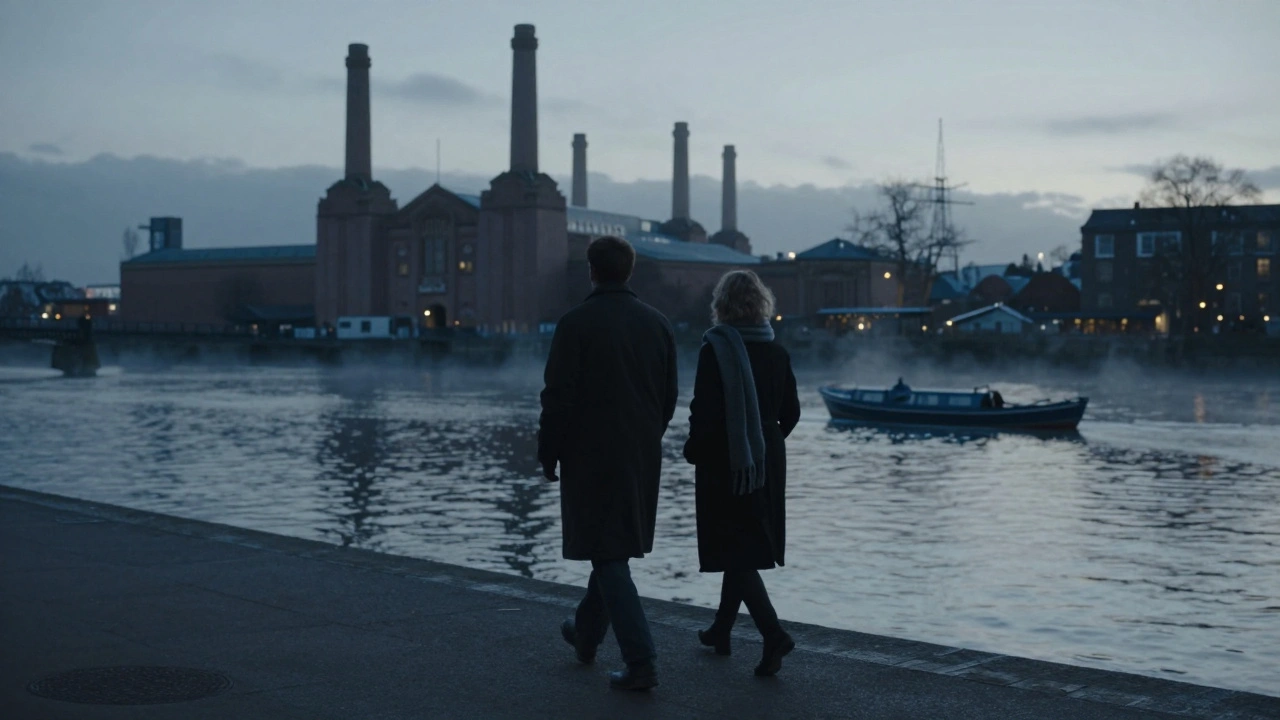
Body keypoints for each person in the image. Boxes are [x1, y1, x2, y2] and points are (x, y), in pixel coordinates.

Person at [538, 235, 678, 691]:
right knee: (611, 547)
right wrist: (645, 436)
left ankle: (642, 661)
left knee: (608, 553)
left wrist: (549, 450)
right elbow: (669, 396)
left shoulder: (575, 323)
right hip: (640, 454)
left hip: (589, 454)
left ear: (591, 270)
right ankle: (585, 635)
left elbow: (557, 396)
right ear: (629, 271)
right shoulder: (658, 324)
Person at [683, 270, 801, 677]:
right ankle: (722, 629)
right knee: (744, 543)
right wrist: (765, 442)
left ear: (722, 305)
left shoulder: (715, 349)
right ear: (762, 303)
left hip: (727, 460)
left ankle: (773, 634)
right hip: (768, 460)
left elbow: (704, 410)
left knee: (735, 547)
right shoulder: (777, 351)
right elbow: (792, 413)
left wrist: (696, 449)